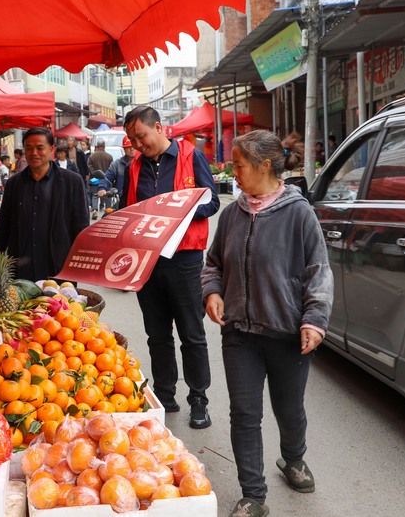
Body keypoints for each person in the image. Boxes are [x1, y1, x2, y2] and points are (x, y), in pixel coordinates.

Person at [200, 130, 333, 517]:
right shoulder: (231, 214)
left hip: (287, 333)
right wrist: (213, 292)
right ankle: (253, 494)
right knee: (244, 413)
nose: (233, 172)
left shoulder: (299, 213)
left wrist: (314, 320)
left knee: (289, 409)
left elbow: (318, 272)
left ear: (263, 166)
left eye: (239, 166)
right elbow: (213, 264)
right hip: (239, 333)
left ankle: (293, 458)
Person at [121, 105, 219, 429]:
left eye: (141, 137)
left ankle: (198, 399)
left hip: (185, 261)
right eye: (133, 140)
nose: (138, 145)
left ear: (159, 128)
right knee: (157, 334)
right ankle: (165, 395)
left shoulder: (191, 158)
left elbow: (212, 201)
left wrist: (181, 211)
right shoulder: (134, 166)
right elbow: (127, 209)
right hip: (148, 263)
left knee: (192, 333)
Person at [0, 127, 89, 281]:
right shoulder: (14, 184)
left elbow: (81, 227)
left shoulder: (72, 182)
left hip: (58, 268)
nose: (34, 153)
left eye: (40, 147)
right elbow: (3, 227)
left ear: (52, 149)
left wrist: (79, 264)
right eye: (29, 148)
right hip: (21, 269)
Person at [97, 135, 133, 209]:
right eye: (128, 147)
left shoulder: (144, 163)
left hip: (141, 202)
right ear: (124, 149)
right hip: (121, 201)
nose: (131, 149)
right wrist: (102, 188)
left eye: (133, 146)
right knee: (106, 217)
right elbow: (106, 178)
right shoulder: (117, 164)